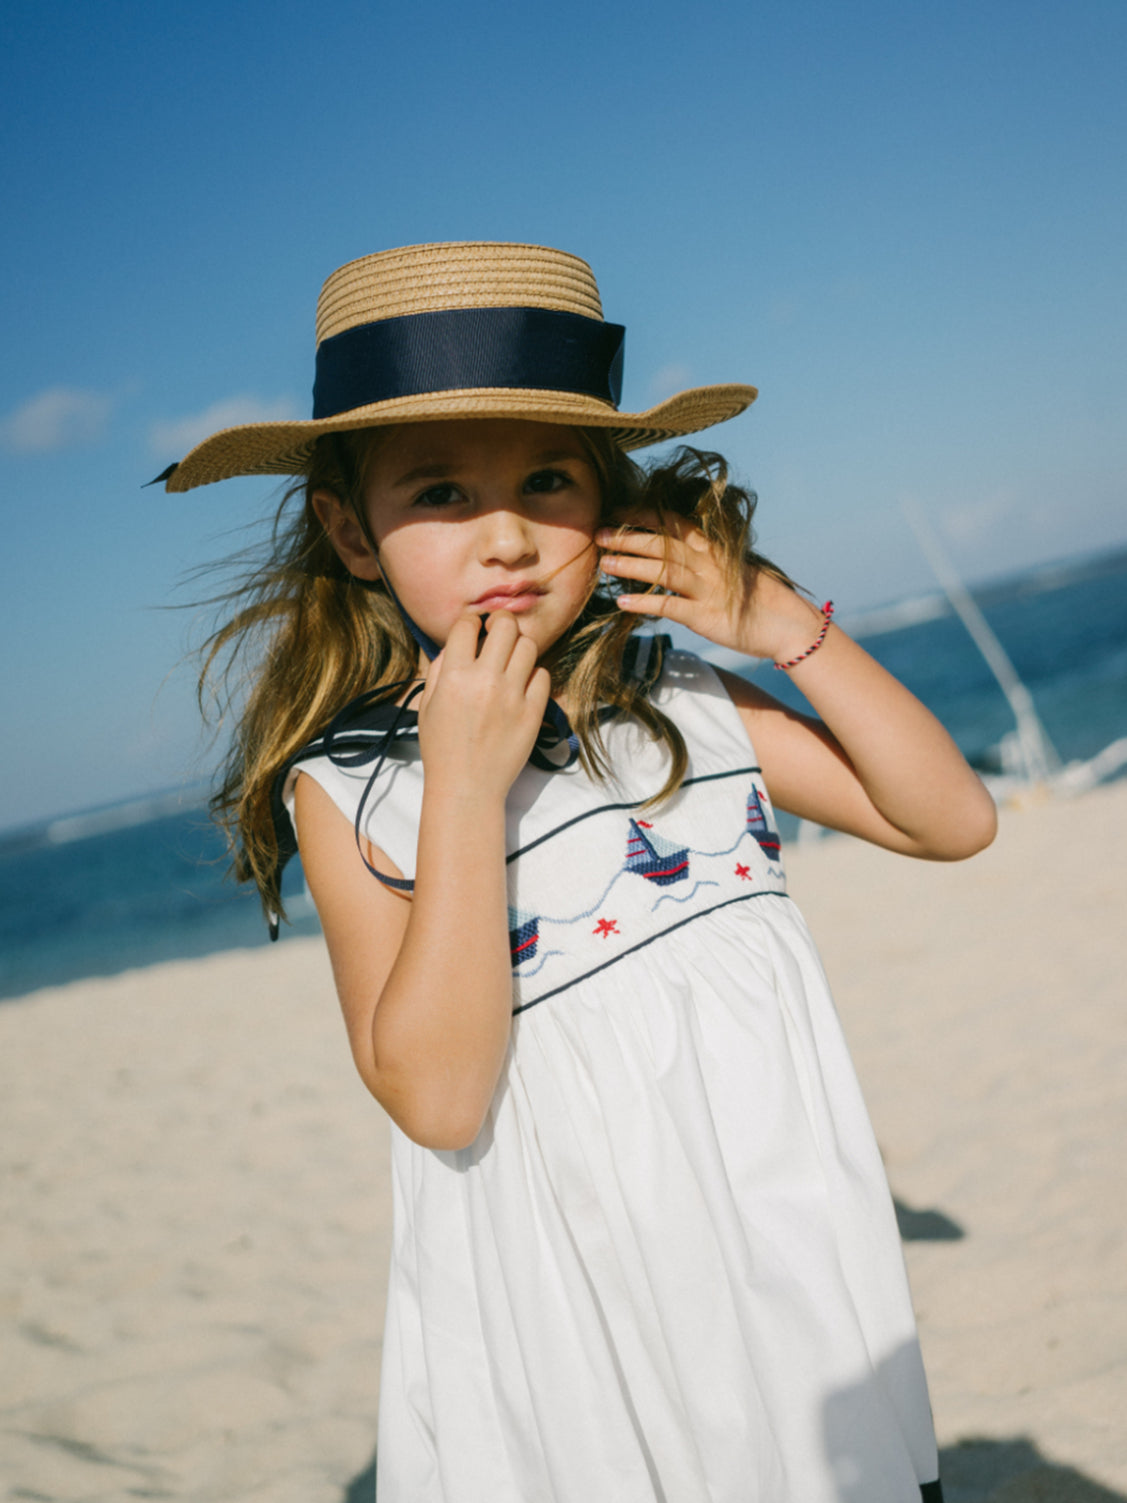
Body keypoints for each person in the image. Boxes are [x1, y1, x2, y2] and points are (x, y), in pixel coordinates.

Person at [165, 241, 996, 1502]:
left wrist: (784, 629)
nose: (503, 535)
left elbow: (949, 822)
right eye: (437, 493)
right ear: (351, 531)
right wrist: (462, 786)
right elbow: (438, 1099)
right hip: (579, 1331)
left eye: (545, 479)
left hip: (783, 1278)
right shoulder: (354, 789)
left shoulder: (687, 705)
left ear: (604, 497)